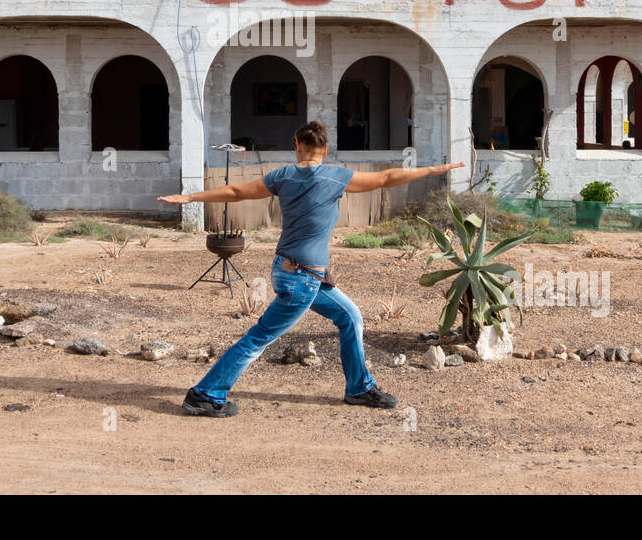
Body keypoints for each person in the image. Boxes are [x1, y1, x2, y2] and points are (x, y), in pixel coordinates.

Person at [157, 119, 464, 417]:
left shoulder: (282, 176)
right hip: (300, 279)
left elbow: (236, 193)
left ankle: (358, 387)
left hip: (298, 273)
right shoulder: (336, 176)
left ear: (297, 145)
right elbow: (386, 178)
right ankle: (205, 394)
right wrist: (433, 170)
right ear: (325, 149)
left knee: (350, 317)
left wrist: (190, 197)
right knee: (259, 338)